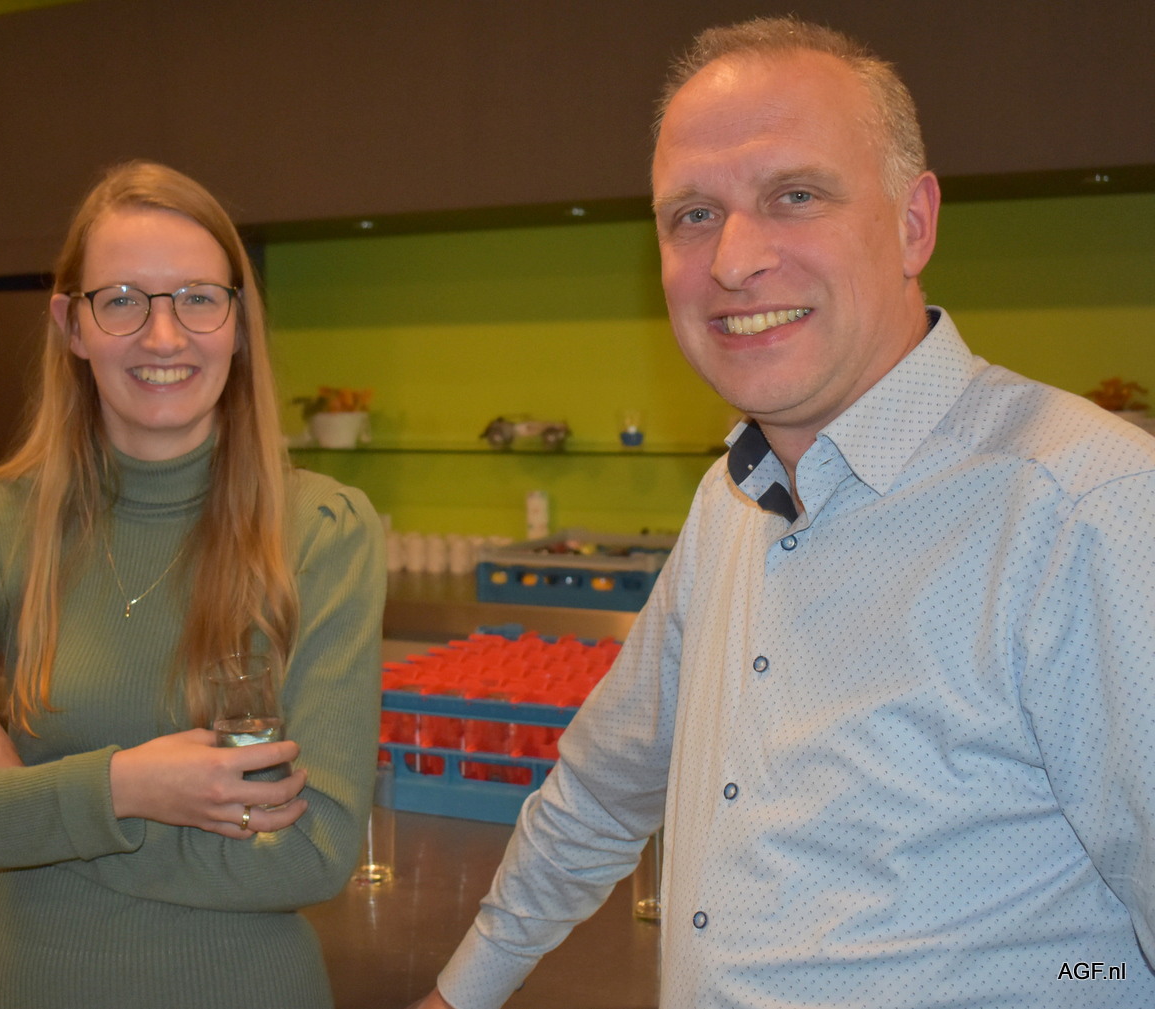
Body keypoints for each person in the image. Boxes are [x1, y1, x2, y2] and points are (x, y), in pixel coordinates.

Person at [410, 16, 1155, 1009]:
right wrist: (461, 993)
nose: (732, 259)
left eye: (793, 196)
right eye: (692, 214)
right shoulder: (729, 501)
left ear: (913, 223)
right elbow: (600, 790)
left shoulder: (1088, 512)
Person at [0, 161, 386, 1008]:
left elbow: (314, 852)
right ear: (71, 325)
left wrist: (18, 795)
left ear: (239, 323)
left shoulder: (324, 533)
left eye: (197, 298)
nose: (163, 336)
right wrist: (122, 787)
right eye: (121, 300)